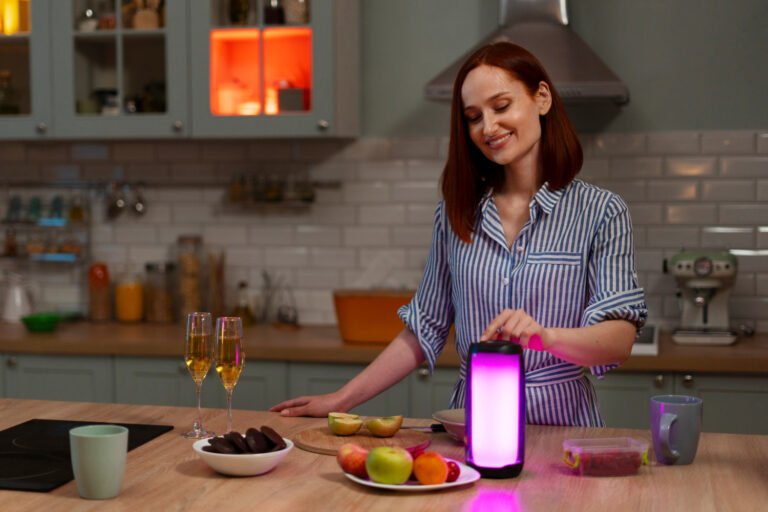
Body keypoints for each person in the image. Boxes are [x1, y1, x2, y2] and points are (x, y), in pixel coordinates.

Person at [271, 42, 647, 427]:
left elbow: (619, 338)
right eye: (473, 116)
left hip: (564, 430)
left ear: (542, 98)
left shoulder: (601, 212)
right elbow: (424, 328)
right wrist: (340, 399)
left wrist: (546, 337)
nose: (488, 127)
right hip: (474, 426)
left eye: (501, 107)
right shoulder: (455, 214)